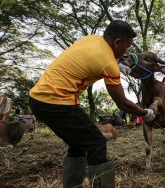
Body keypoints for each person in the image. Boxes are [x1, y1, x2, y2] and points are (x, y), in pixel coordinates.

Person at [29, 20, 155, 188]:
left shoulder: (91, 39)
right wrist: (145, 113)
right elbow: (122, 103)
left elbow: (94, 57)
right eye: (126, 47)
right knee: (96, 143)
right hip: (56, 101)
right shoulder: (108, 63)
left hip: (38, 98)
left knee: (78, 144)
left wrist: (118, 63)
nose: (126, 51)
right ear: (117, 42)